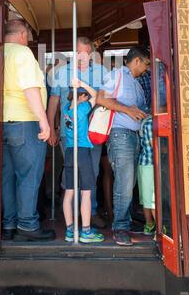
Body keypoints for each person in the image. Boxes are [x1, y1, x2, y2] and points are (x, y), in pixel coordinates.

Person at [1, 19, 55, 242]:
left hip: (0, 124)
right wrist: (44, 120)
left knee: (7, 178)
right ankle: (27, 225)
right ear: (23, 34)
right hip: (24, 122)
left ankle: (8, 224)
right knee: (29, 176)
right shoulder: (22, 54)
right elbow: (30, 88)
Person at [47, 36, 107, 229]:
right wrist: (51, 129)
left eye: (84, 53)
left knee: (93, 172)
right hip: (69, 134)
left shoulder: (101, 71)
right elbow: (54, 101)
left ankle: (92, 212)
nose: (80, 57)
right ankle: (73, 219)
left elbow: (108, 99)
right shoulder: (62, 72)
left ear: (91, 53)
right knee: (72, 175)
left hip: (94, 132)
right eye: (77, 53)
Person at [97, 46, 151, 246]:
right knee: (125, 184)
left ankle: (125, 222)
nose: (147, 68)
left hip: (134, 136)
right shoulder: (116, 74)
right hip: (120, 135)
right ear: (137, 60)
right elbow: (101, 98)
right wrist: (127, 109)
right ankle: (120, 227)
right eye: (146, 63)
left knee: (130, 184)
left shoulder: (136, 83)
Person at [63, 78, 104, 243]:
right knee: (86, 192)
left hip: (69, 152)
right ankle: (86, 232)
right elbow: (97, 96)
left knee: (68, 192)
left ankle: (70, 230)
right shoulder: (82, 109)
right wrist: (82, 84)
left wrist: (77, 88)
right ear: (80, 97)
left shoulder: (67, 109)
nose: (88, 98)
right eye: (85, 96)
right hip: (82, 152)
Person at [137, 114, 156, 236]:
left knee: (147, 197)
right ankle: (158, 230)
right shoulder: (150, 123)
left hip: (147, 164)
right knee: (152, 198)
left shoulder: (148, 121)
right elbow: (155, 146)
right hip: (149, 164)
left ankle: (149, 225)